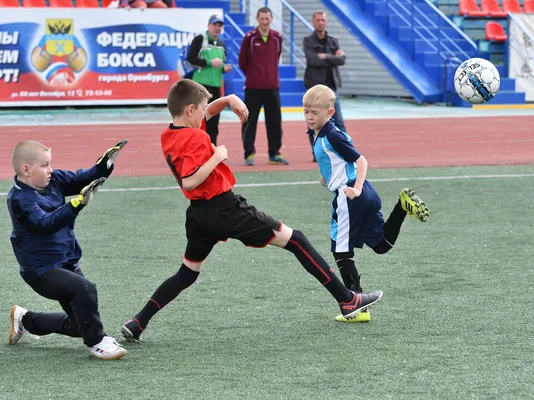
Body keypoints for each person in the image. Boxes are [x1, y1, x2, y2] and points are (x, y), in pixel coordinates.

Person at [120, 79, 383, 341]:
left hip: (198, 215)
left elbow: (207, 114)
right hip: (226, 209)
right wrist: (217, 156)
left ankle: (138, 322)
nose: (205, 113)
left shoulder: (170, 134)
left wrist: (228, 100)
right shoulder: (197, 137)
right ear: (190, 110)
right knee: (297, 241)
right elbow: (189, 180)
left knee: (187, 273)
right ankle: (348, 300)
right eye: (201, 109)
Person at [303, 85, 429, 323]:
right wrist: (327, 175)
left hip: (352, 195)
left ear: (329, 113)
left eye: (315, 112)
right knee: (381, 245)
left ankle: (357, 307)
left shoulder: (331, 134)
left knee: (341, 252)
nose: (309, 117)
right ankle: (402, 207)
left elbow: (361, 161)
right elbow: (335, 158)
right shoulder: (320, 132)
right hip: (365, 195)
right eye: (306, 111)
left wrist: (356, 188)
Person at [7, 140, 129, 360]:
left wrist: (104, 166)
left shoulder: (54, 181)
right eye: (44, 165)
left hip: (67, 262)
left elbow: (83, 178)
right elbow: (44, 223)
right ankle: (97, 343)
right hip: (40, 270)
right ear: (26, 170)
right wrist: (75, 205)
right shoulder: (19, 200)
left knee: (80, 324)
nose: (50, 170)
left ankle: (25, 319)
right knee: (84, 289)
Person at [238, 7, 289, 166]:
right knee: (249, 120)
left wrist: (269, 76)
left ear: (272, 19)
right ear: (257, 19)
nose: (265, 22)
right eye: (262, 19)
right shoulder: (250, 38)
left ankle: (274, 153)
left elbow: (276, 57)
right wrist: (254, 75)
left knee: (274, 121)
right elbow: (242, 62)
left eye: (267, 19)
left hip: (273, 87)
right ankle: (249, 153)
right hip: (253, 87)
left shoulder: (277, 38)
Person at [303, 11, 347, 162]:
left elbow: (342, 60)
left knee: (338, 120)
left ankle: (344, 149)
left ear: (326, 22)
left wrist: (326, 56)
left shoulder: (333, 41)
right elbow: (313, 60)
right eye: (318, 20)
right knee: (314, 122)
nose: (320, 22)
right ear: (313, 22)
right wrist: (333, 58)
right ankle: (317, 152)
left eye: (323, 20)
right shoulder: (308, 40)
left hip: (332, 89)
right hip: (315, 89)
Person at [186, 14, 233, 145]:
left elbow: (220, 65)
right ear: (208, 26)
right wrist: (209, 62)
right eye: (214, 25)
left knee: (214, 121)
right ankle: (194, 148)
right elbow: (191, 58)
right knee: (197, 120)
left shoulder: (221, 44)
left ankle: (211, 149)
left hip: (216, 87)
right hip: (200, 88)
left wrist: (224, 69)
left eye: (219, 26)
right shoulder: (201, 39)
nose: (217, 28)